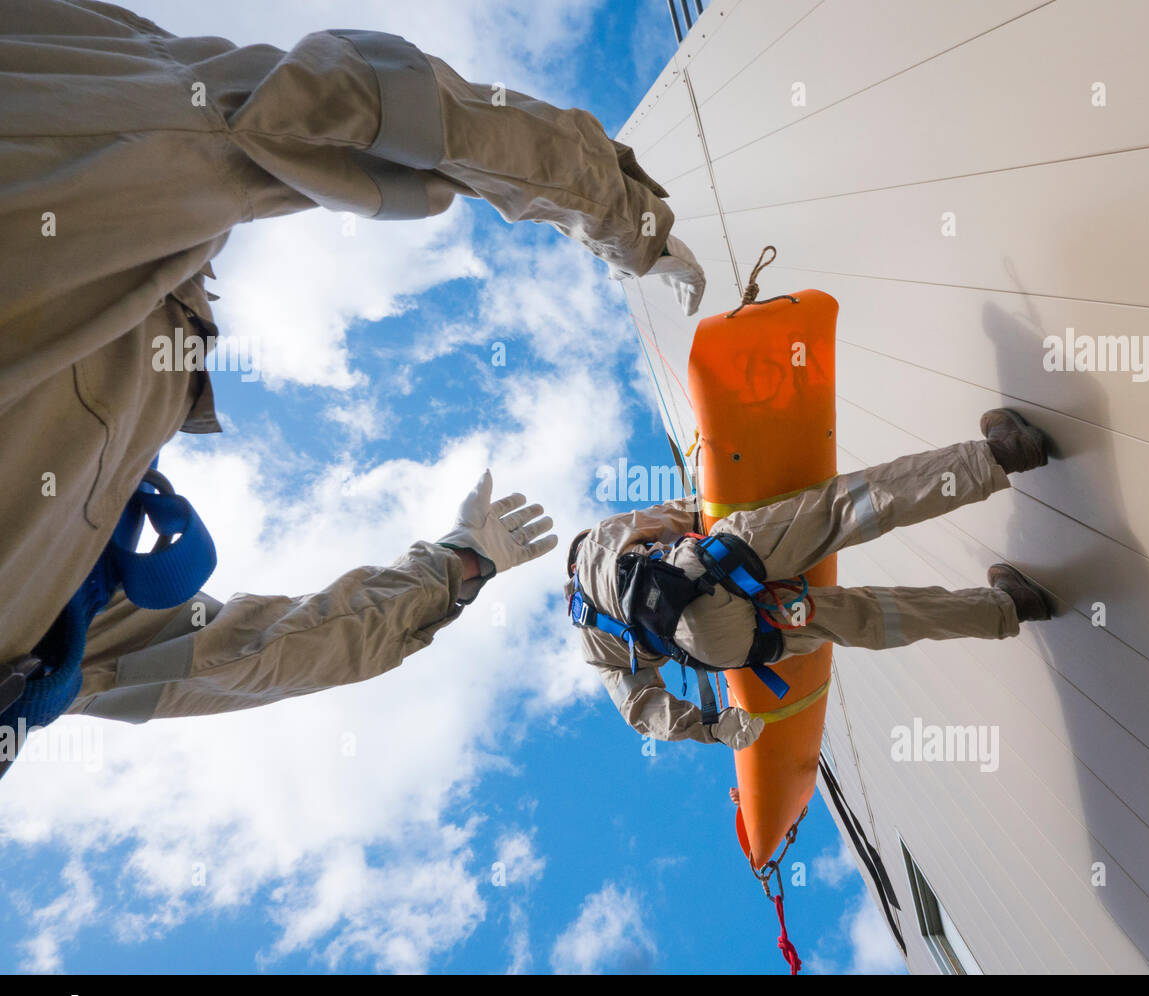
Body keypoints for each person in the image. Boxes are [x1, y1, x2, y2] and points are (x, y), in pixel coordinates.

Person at [0, 0, 705, 768]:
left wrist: (623, 214)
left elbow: (329, 107)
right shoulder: (46, 642)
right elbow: (247, 656)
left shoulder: (69, 141)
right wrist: (457, 566)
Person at [566, 410, 1055, 749]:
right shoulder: (598, 545)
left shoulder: (596, 651)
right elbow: (693, 513)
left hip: (726, 646)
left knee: (865, 617)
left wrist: (711, 728)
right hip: (715, 569)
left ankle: (1009, 608)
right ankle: (1003, 453)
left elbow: (642, 712)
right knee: (846, 510)